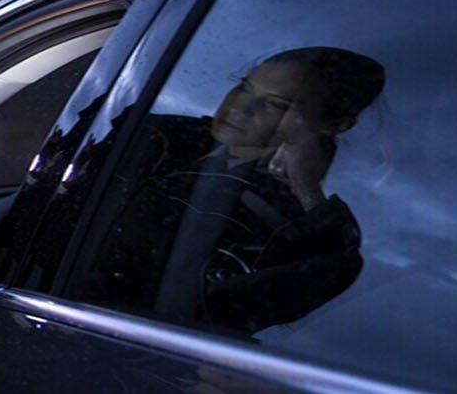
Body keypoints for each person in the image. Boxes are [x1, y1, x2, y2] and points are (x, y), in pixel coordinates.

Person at [92, 46, 385, 334]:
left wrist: (305, 188)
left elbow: (315, 280)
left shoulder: (313, 224)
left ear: (334, 125)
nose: (240, 107)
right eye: (244, 88)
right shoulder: (150, 137)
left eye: (275, 104)